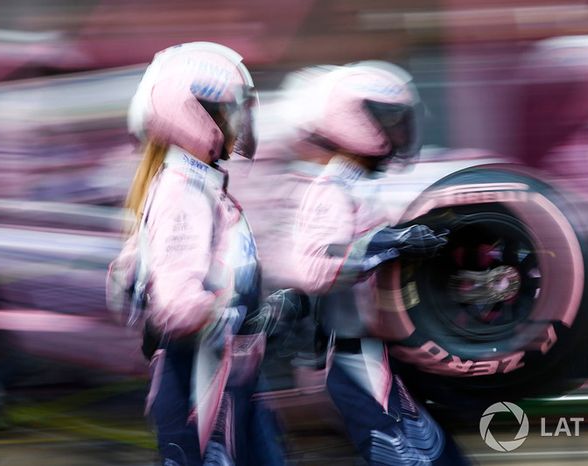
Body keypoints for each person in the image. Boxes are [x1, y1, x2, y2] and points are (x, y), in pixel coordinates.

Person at [107, 42, 284, 466]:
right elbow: (178, 303)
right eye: (229, 110)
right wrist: (247, 313)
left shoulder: (201, 185)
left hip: (224, 381)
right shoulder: (182, 191)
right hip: (199, 385)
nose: (239, 122)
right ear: (194, 111)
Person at [291, 62, 471, 465]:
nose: (400, 129)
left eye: (402, 119)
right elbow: (316, 265)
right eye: (390, 119)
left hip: (394, 355)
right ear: (354, 117)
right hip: (358, 358)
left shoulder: (374, 184)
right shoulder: (332, 188)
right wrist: (392, 240)